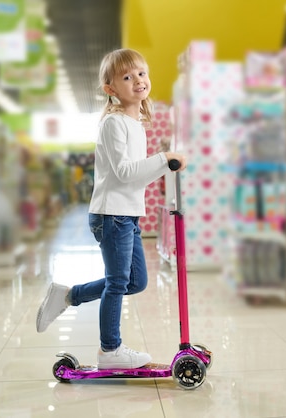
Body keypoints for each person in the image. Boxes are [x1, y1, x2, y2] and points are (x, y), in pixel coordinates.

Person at [35, 48, 187, 370]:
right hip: (111, 214)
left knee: (135, 281)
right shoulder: (114, 123)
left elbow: (135, 175)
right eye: (127, 77)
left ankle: (67, 296)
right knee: (118, 281)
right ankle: (110, 350)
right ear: (111, 89)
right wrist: (164, 160)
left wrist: (164, 164)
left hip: (126, 214)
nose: (138, 81)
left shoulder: (137, 125)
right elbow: (125, 173)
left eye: (141, 74)